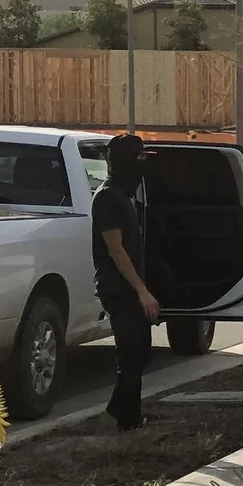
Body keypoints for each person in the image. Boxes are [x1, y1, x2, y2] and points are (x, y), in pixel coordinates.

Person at [91, 133, 158, 431]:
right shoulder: (107, 198)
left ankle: (125, 416)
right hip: (118, 289)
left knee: (139, 353)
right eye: (139, 159)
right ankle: (119, 418)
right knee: (130, 354)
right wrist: (142, 291)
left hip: (132, 288)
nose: (143, 167)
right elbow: (115, 250)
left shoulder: (125, 196)